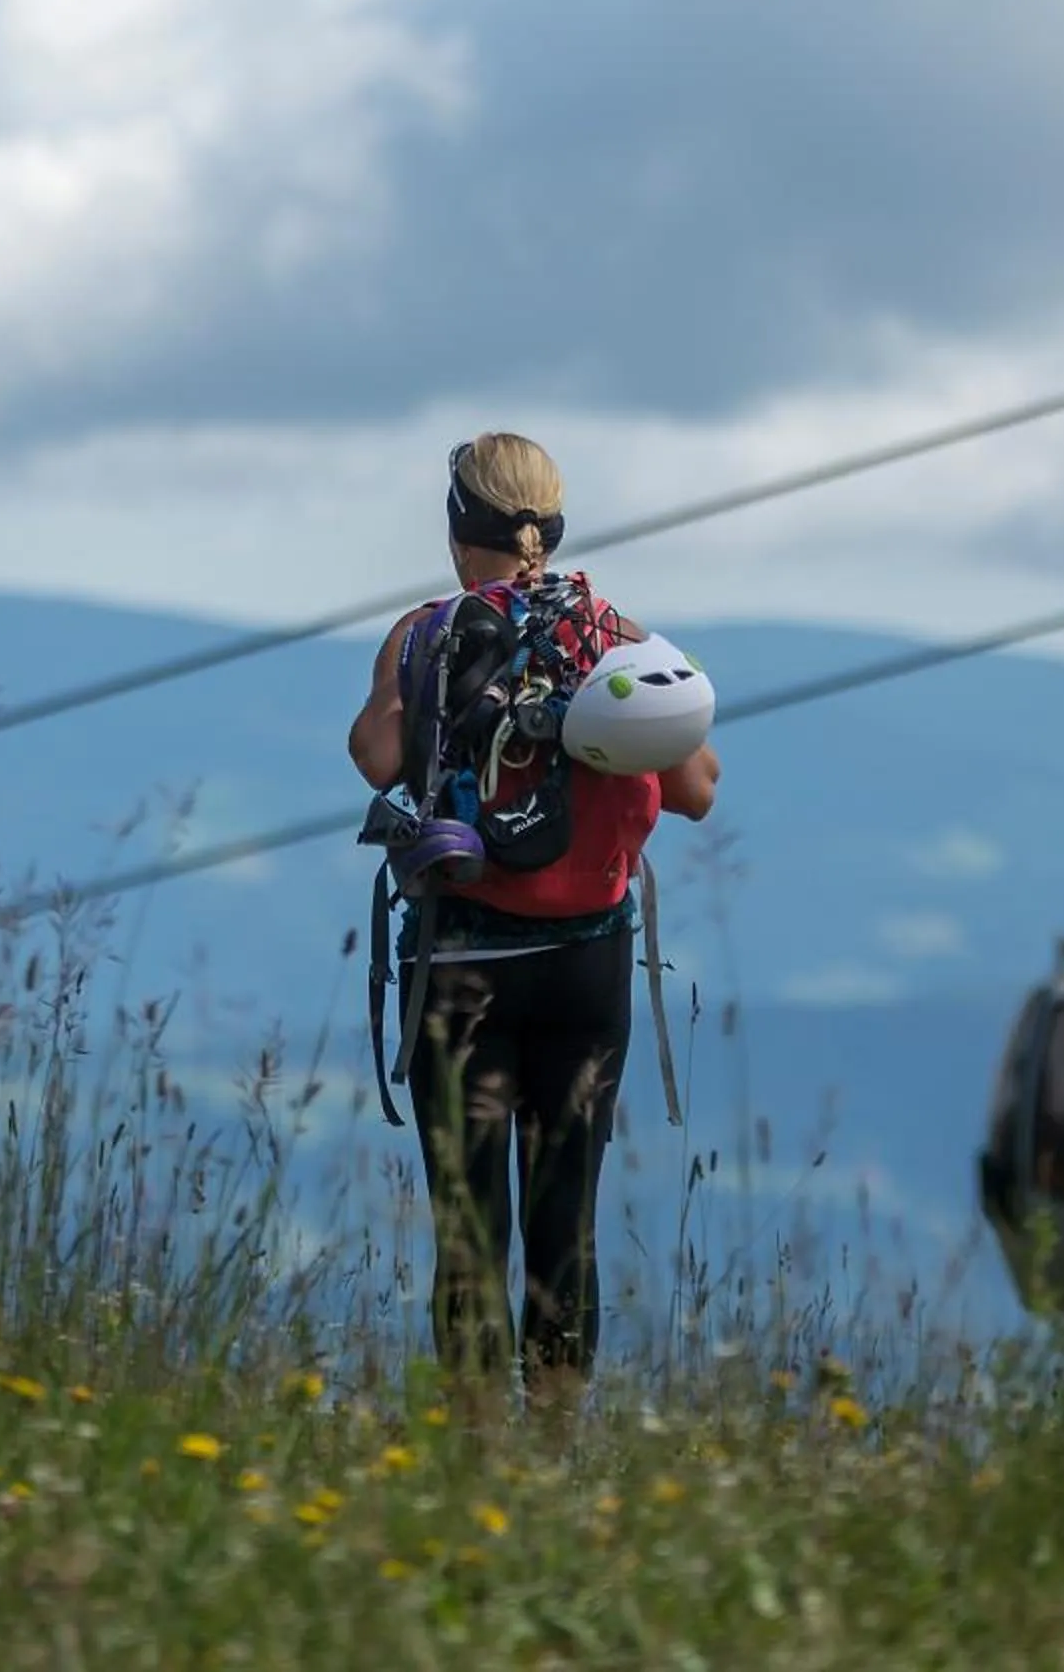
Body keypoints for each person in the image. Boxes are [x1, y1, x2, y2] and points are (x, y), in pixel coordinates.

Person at [346, 432, 720, 1421]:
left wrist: (420, 677)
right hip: (587, 973)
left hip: (462, 966)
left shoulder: (430, 632)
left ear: (456, 531)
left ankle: (478, 1452)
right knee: (569, 1226)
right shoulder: (616, 637)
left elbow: (374, 757)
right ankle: (554, 1444)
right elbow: (696, 789)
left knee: (469, 1228)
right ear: (551, 530)